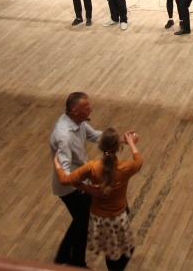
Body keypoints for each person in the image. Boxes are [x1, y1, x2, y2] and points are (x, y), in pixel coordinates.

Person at [54, 128, 142, 271]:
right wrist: (131, 143)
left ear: (100, 147)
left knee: (115, 252)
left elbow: (65, 180)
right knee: (119, 254)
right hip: (117, 217)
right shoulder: (125, 167)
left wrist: (58, 165)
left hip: (99, 219)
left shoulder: (92, 167)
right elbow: (139, 161)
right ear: (118, 148)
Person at [50, 92, 102, 268]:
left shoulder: (78, 122)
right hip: (70, 188)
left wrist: (119, 140)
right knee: (83, 221)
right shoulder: (64, 136)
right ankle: (76, 263)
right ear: (74, 111)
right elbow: (65, 175)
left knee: (81, 219)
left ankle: (63, 256)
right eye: (86, 107)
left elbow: (95, 136)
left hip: (79, 182)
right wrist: (86, 188)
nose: (91, 109)